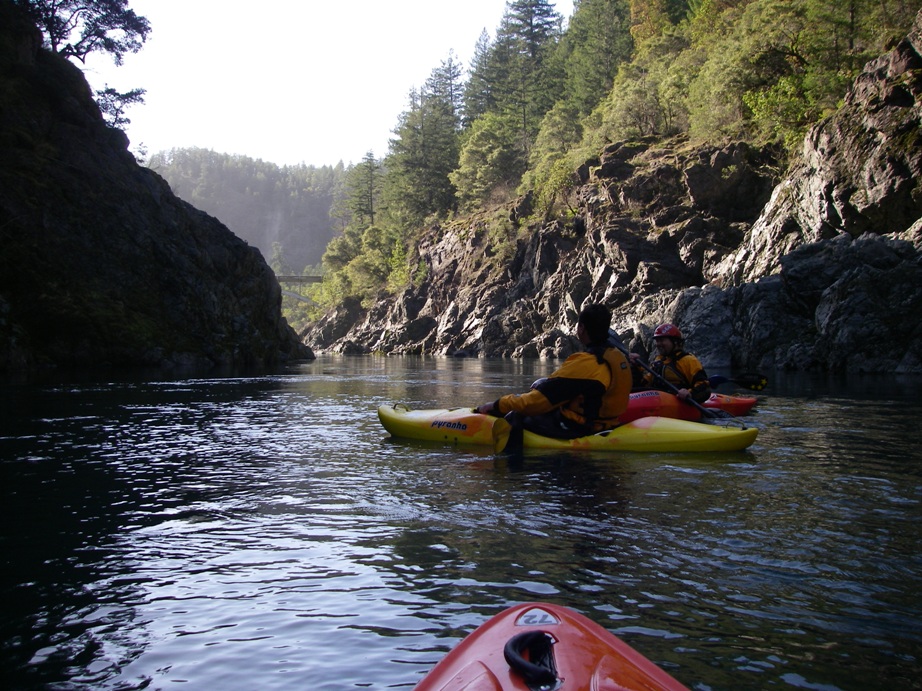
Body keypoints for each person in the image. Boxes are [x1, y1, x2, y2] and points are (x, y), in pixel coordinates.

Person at [476, 304, 632, 442]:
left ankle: (512, 471)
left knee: (515, 416)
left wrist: (498, 405)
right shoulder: (619, 358)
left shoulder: (586, 364)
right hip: (608, 423)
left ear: (581, 328)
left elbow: (536, 402)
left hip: (579, 429)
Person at [629, 323, 711, 403]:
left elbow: (704, 387)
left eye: (661, 340)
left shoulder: (688, 360)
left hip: (680, 403)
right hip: (657, 400)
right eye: (657, 341)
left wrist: (690, 393)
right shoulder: (659, 361)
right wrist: (636, 366)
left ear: (675, 342)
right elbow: (643, 384)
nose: (658, 344)